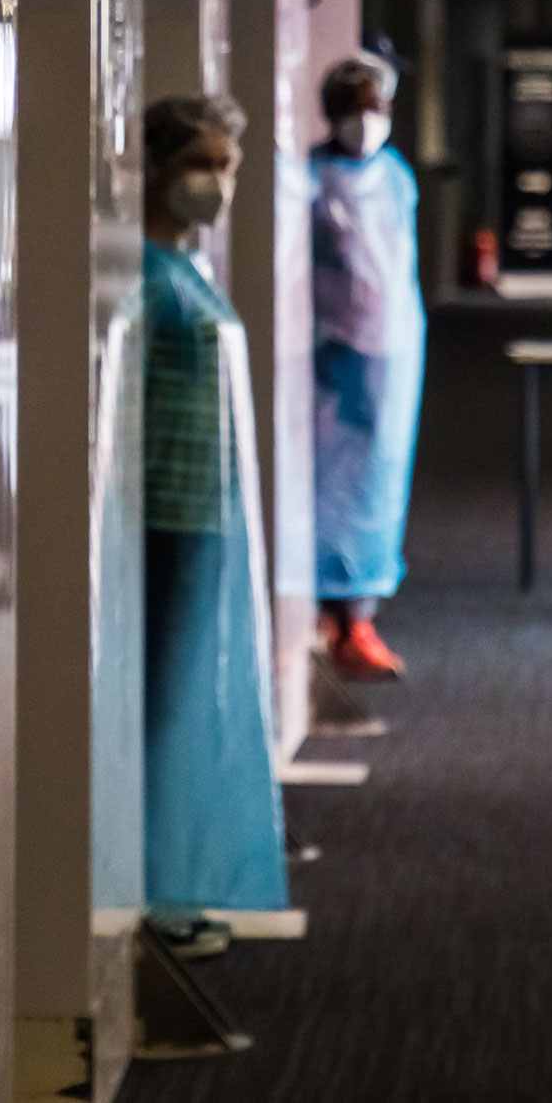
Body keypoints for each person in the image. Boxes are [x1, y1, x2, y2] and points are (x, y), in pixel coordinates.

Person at [139, 95, 291, 959]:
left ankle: (175, 872)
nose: (217, 183)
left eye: (227, 167)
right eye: (203, 163)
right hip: (161, 518)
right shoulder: (143, 278)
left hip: (205, 515)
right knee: (159, 699)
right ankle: (151, 881)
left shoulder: (188, 269)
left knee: (186, 692)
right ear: (157, 165)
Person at [310, 52, 426, 682]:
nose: (367, 118)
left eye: (375, 104)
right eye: (354, 104)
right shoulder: (310, 177)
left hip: (396, 348)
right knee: (330, 481)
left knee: (380, 480)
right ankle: (332, 614)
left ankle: (361, 615)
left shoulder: (396, 177)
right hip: (332, 355)